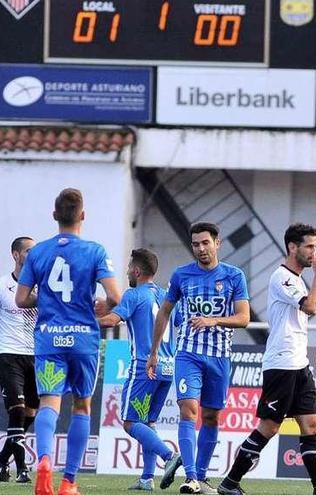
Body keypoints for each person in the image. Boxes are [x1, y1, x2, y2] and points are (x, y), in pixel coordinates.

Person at [16, 188, 121, 495]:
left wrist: (46, 299)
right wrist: (103, 304)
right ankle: (69, 482)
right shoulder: (95, 251)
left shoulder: (37, 252)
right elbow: (115, 296)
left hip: (49, 339)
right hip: (83, 340)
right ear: (83, 216)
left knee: (49, 403)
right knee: (82, 405)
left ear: (54, 216)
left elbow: (22, 299)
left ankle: (45, 460)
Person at [218, 223, 316, 495]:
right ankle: (230, 482)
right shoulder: (282, 277)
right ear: (292, 247)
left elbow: (308, 311)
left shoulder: (296, 278)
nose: (315, 252)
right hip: (281, 363)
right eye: (310, 246)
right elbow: (312, 307)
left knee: (311, 424)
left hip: (299, 362)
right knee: (269, 427)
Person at [147, 222, 250, 495]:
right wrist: (155, 351)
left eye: (206, 243)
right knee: (188, 411)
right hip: (188, 354)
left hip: (219, 356)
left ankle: (202, 478)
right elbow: (164, 312)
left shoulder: (234, 276)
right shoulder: (182, 275)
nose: (201, 249)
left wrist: (213, 320)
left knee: (212, 417)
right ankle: (191, 477)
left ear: (218, 243)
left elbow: (244, 318)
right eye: (196, 244)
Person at [96, 248, 181, 491]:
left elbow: (113, 320)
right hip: (167, 368)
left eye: (128, 269)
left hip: (145, 366)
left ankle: (169, 457)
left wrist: (83, 322)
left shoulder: (134, 295)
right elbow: (180, 323)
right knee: (148, 423)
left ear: (136, 271)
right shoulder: (166, 295)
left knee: (131, 423)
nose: (126, 272)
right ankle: (146, 479)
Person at [0, 236, 39, 484]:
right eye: (28, 251)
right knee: (16, 411)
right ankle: (23, 468)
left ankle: (3, 456)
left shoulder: (43, 286)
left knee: (30, 412)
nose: (33, 255)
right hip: (8, 355)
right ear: (16, 255)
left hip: (36, 357)